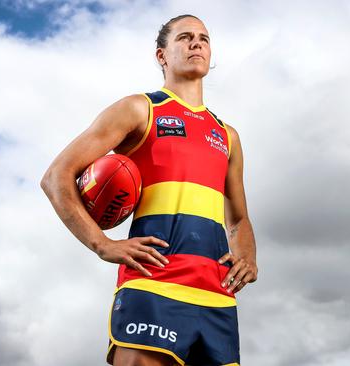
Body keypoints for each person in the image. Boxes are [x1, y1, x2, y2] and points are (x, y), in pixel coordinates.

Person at [40, 14, 257, 366]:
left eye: (203, 38)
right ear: (162, 56)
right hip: (153, 282)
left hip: (217, 295)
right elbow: (56, 176)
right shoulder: (141, 109)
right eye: (185, 38)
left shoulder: (227, 134)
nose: (196, 43)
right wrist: (102, 244)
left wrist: (247, 255)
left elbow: (239, 219)